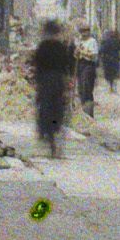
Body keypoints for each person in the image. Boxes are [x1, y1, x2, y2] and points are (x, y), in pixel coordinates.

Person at [32, 19, 74, 157]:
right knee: (58, 109)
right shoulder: (61, 47)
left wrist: (37, 82)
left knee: (43, 108)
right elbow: (67, 66)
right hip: (57, 82)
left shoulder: (42, 47)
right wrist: (68, 83)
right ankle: (55, 134)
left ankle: (45, 133)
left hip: (44, 82)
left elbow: (36, 66)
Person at [75, 26, 98, 114]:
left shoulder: (92, 41)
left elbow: (93, 55)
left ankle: (89, 113)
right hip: (80, 65)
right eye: (81, 32)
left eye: (85, 32)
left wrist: (82, 52)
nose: (83, 34)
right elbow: (76, 55)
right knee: (80, 89)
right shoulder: (80, 42)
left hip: (89, 66)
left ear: (88, 32)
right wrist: (76, 53)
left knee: (86, 89)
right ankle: (84, 110)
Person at [97, 27, 120, 94]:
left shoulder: (105, 41)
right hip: (115, 59)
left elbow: (101, 50)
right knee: (114, 73)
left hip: (107, 60)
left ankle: (111, 86)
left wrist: (100, 56)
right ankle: (113, 86)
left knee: (108, 74)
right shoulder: (117, 41)